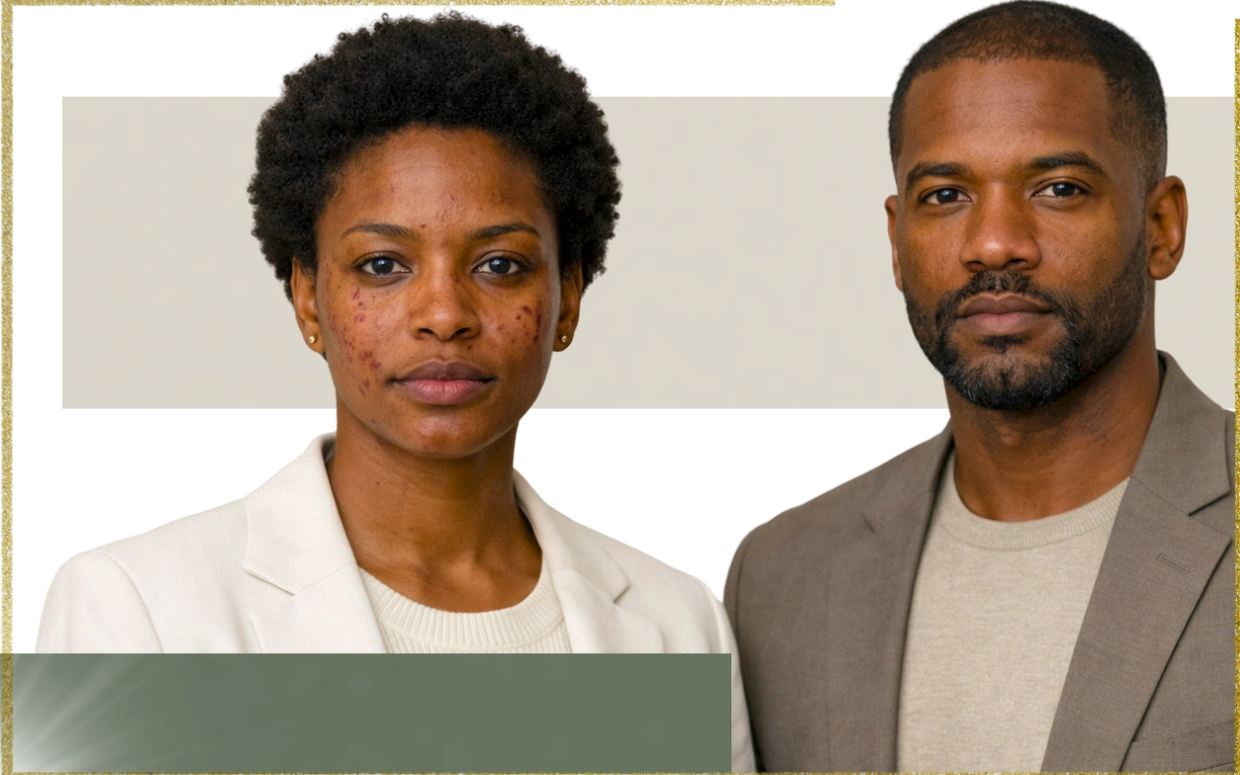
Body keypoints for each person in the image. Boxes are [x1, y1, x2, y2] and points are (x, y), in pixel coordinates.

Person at [37, 12, 754, 771]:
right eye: (383, 265)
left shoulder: (678, 617)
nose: (444, 314)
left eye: (500, 264)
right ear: (308, 299)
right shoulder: (135, 609)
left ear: (567, 299)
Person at [721, 1, 1233, 772]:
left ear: (1162, 227)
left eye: (1059, 188)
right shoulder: (776, 572)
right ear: (896, 241)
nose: (994, 241)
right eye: (945, 195)